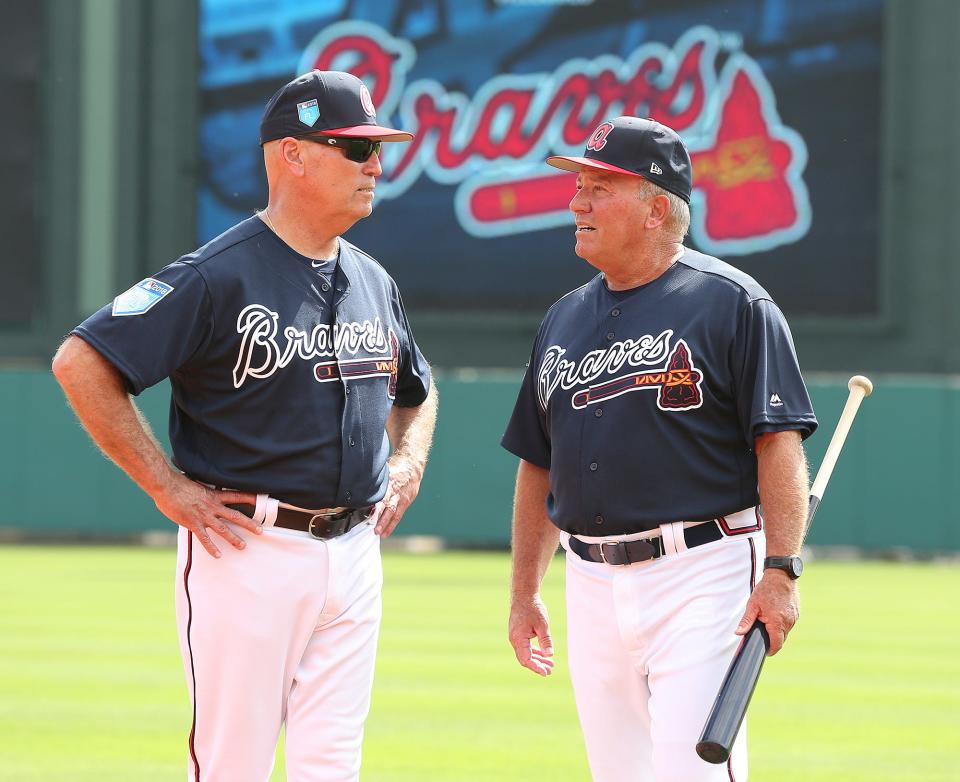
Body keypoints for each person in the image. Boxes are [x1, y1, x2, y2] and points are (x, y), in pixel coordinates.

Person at [52, 70, 437, 782]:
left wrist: (408, 459)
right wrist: (166, 486)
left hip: (354, 552)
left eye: (375, 149)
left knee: (333, 767)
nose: (376, 165)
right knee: (234, 766)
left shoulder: (374, 279)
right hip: (248, 547)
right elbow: (81, 362)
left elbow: (417, 390)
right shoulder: (215, 275)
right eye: (354, 150)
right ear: (292, 154)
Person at [502, 116, 817, 782]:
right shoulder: (562, 317)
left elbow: (778, 442)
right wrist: (526, 590)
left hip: (704, 570)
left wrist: (782, 569)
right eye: (579, 185)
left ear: (655, 208)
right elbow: (539, 460)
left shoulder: (733, 304)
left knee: (693, 771)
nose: (576, 202)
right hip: (589, 578)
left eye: (599, 187)